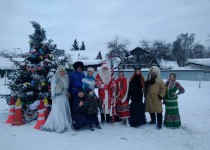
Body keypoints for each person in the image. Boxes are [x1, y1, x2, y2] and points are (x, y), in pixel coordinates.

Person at [41, 65, 72, 133]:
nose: (62, 72)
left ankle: (64, 123)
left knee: (63, 110)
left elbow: (66, 88)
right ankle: (59, 124)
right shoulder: (55, 78)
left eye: (63, 71)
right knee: (58, 110)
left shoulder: (66, 78)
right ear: (58, 71)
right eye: (61, 71)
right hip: (58, 97)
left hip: (64, 97)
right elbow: (52, 88)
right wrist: (53, 96)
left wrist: (67, 93)